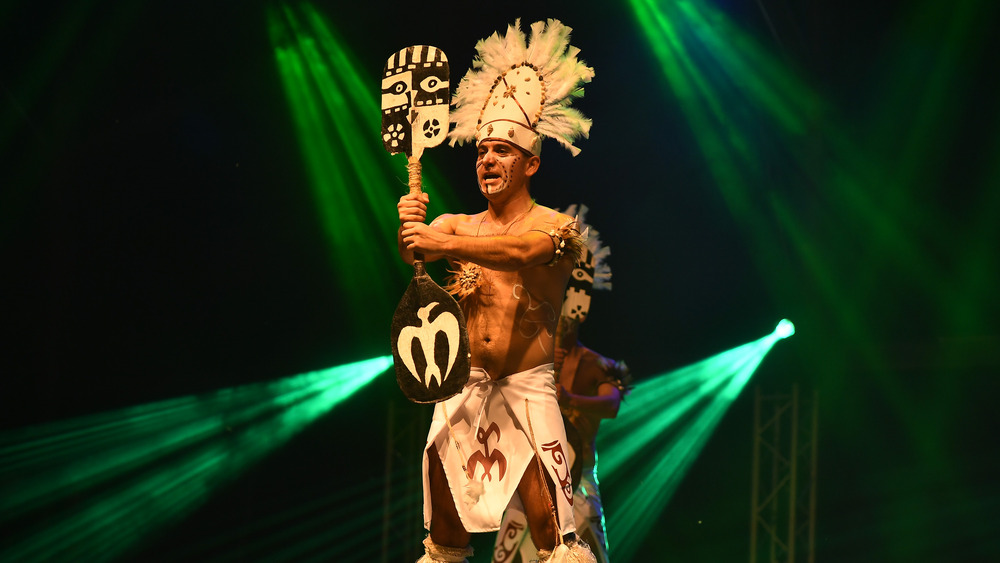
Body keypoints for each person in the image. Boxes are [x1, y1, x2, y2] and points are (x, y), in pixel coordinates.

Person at [395, 19, 598, 563]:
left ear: (530, 162)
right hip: (463, 388)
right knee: (443, 536)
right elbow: (415, 255)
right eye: (482, 151)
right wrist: (411, 226)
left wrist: (435, 242)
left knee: (556, 536)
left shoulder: (557, 228)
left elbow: (519, 254)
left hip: (527, 388)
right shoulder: (456, 225)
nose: (487, 160)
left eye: (502, 151)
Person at [491, 208, 630, 563]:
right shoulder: (525, 355)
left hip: (577, 482)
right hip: (527, 482)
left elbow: (611, 404)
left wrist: (569, 398)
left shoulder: (595, 365)